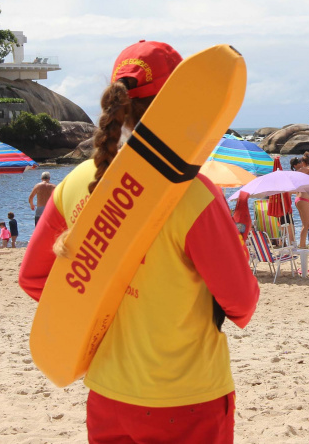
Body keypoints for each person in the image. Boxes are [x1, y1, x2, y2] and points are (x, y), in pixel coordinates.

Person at [19, 40, 259, 443]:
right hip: (187, 399)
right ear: (180, 103)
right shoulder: (194, 194)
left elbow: (33, 279)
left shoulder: (76, 182)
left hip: (108, 397)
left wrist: (98, 301)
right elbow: (242, 303)